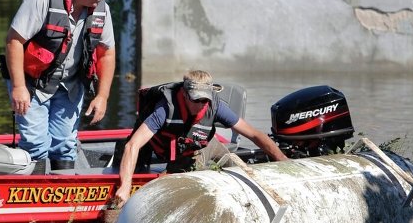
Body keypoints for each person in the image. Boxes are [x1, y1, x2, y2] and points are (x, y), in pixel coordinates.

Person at [3, 0, 116, 170]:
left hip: (71, 85)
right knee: (35, 144)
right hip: (32, 83)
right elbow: (14, 41)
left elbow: (107, 53)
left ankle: (61, 194)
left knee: (65, 144)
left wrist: (102, 96)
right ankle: (33, 195)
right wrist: (18, 87)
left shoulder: (101, 8)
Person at [114, 70, 288, 205]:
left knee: (238, 171)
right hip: (170, 152)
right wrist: (125, 185)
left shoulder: (215, 107)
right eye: (196, 100)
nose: (201, 105)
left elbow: (255, 134)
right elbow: (133, 145)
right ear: (183, 94)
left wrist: (282, 160)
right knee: (177, 177)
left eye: (205, 100)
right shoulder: (165, 109)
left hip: (203, 146)